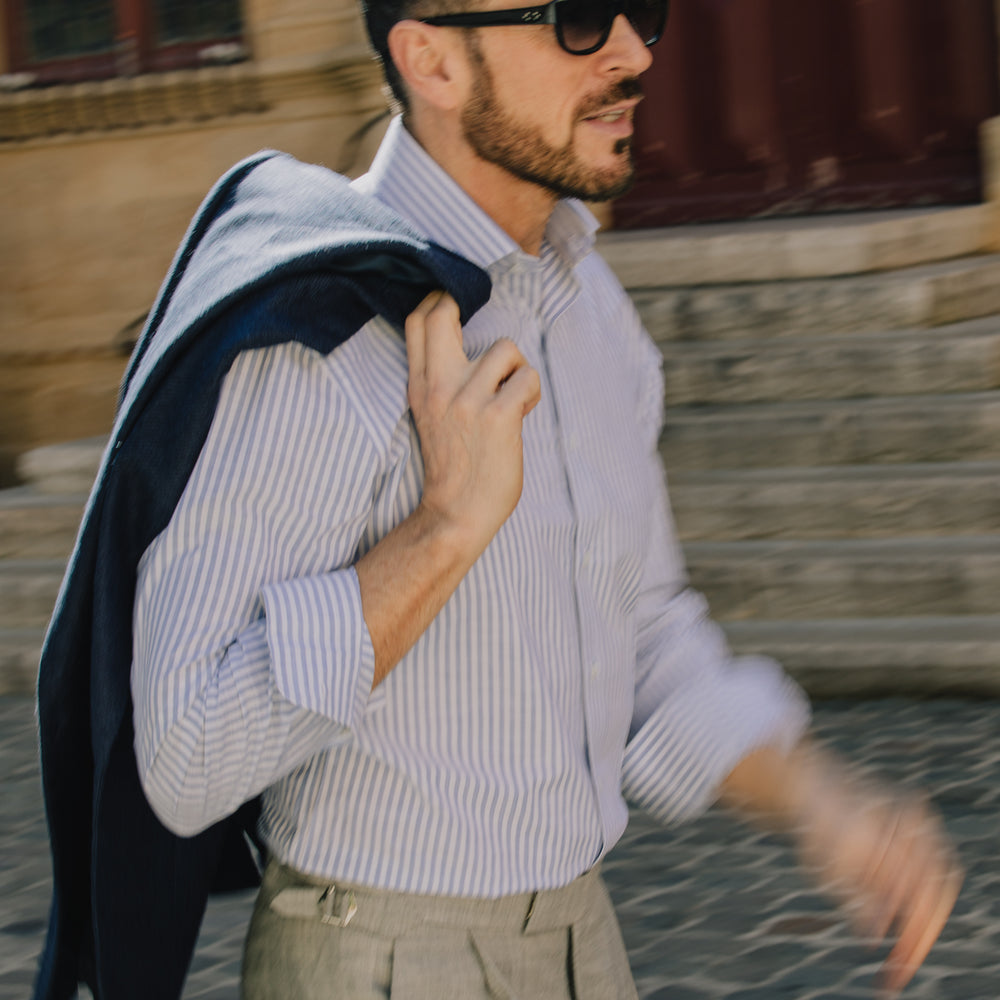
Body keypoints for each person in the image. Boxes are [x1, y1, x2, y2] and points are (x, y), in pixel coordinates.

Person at [45, 0, 960, 996]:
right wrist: (443, 533)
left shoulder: (589, 308)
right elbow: (185, 756)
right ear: (432, 60)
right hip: (377, 962)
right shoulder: (319, 338)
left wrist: (821, 801)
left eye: (636, 9)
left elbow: (645, 627)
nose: (629, 52)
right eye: (572, 18)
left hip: (579, 943)